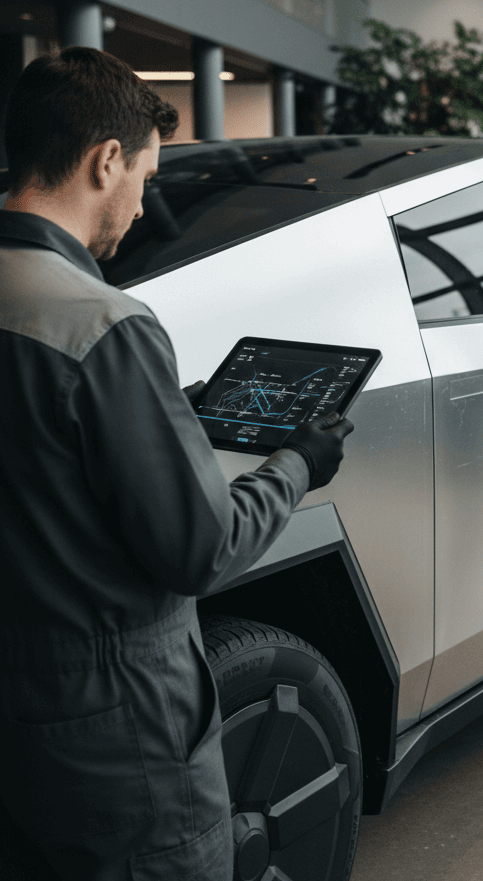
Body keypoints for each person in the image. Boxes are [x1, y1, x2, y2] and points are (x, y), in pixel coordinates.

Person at [0, 47, 353, 880]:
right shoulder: (104, 322)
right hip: (115, 731)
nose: (141, 204)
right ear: (106, 160)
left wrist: (159, 419)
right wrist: (299, 462)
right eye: (147, 180)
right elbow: (202, 548)